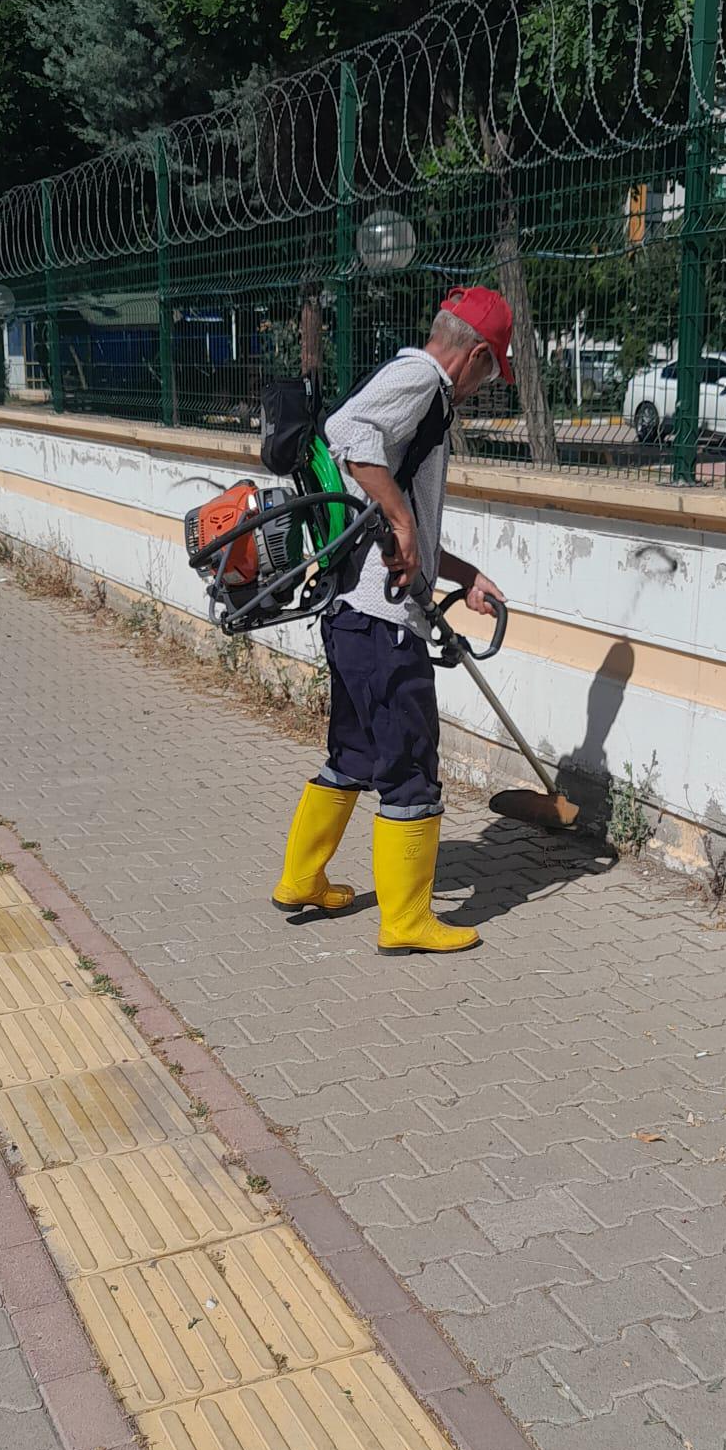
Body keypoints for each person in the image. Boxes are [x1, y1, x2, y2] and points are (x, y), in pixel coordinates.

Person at [272, 287, 512, 954]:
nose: (483, 388)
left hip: (352, 614)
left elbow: (380, 499)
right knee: (409, 765)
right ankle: (406, 921)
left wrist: (462, 576)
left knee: (351, 754)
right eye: (492, 373)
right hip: (379, 622)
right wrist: (405, 522)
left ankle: (301, 879)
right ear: (476, 357)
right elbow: (346, 435)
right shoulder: (423, 381)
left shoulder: (407, 384)